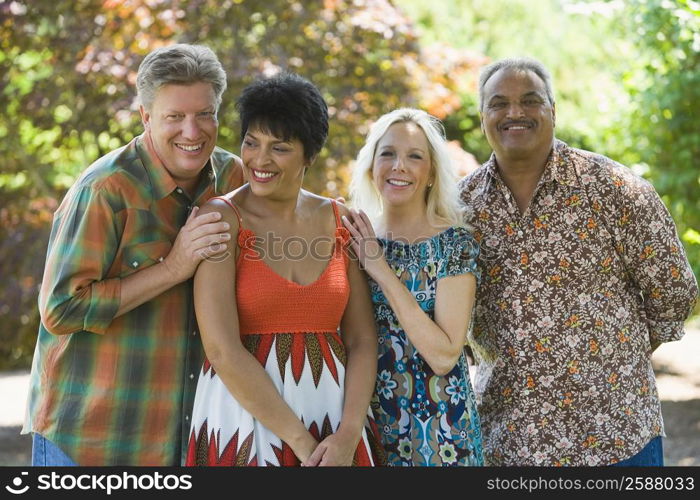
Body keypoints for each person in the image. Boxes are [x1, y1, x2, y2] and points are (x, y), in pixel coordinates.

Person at [459, 57, 699, 466]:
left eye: (530, 100)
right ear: (483, 117)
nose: (515, 112)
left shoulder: (614, 188)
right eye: (499, 103)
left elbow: (674, 289)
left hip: (616, 438)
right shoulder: (460, 207)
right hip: (509, 444)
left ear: (553, 110)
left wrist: (617, 357)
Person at [22, 43, 244, 466]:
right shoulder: (105, 191)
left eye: (205, 114)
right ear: (145, 116)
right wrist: (174, 267)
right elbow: (61, 307)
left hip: (188, 441)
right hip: (92, 442)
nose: (192, 132)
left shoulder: (233, 178)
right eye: (175, 117)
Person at [184, 72, 384, 467]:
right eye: (251, 143)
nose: (260, 160)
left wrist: (347, 435)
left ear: (309, 155)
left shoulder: (340, 219)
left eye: (280, 148)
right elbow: (221, 349)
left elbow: (362, 339)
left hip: (335, 423)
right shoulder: (222, 220)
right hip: (243, 422)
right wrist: (302, 444)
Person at [343, 108, 483, 466]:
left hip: (443, 433)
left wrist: (380, 269)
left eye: (414, 156)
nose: (398, 166)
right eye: (387, 153)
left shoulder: (454, 244)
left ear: (432, 172)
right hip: (368, 425)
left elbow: (444, 355)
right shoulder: (353, 238)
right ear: (371, 165)